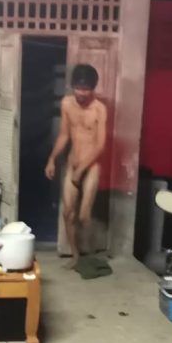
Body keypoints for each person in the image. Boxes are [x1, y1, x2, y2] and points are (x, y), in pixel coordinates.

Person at [45, 63, 107, 268]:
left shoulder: (99, 109)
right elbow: (64, 135)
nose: (81, 93)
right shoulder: (67, 104)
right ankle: (75, 255)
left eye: (86, 89)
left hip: (90, 167)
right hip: (72, 164)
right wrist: (52, 159)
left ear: (93, 88)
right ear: (72, 86)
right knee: (67, 213)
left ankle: (92, 253)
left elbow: (100, 145)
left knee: (84, 215)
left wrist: (82, 170)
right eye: (78, 88)